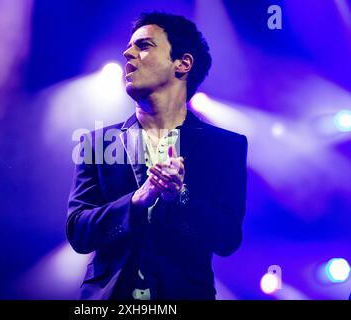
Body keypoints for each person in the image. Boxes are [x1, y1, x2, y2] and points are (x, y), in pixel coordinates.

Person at [66, 12, 248, 300]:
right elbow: (78, 232)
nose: (128, 53)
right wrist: (136, 201)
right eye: (129, 46)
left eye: (144, 45)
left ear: (183, 64)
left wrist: (180, 196)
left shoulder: (225, 147)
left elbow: (227, 239)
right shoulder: (98, 143)